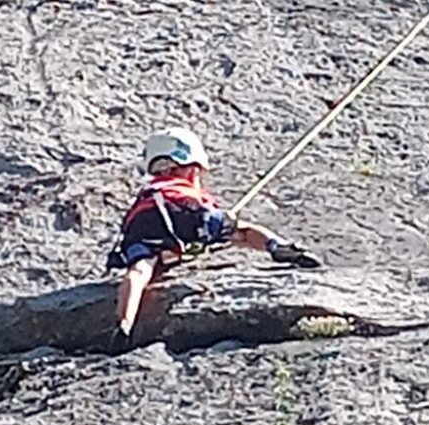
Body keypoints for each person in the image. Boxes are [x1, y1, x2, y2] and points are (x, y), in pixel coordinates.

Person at [105, 126, 322, 342]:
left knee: (140, 270)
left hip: (142, 223)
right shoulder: (187, 182)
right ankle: (277, 247)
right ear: (194, 168)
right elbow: (199, 209)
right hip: (187, 210)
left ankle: (124, 324)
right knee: (240, 231)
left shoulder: (153, 187)